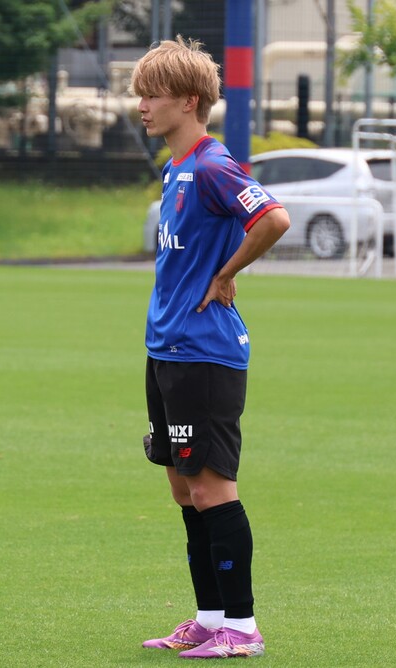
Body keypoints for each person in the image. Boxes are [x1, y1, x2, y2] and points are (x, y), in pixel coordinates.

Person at [131, 38, 290, 659]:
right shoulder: (174, 169)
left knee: (212, 488)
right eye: (141, 95)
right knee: (182, 487)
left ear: (189, 100)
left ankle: (242, 628)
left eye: (153, 95)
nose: (142, 106)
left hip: (204, 351)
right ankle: (209, 617)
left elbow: (272, 218)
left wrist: (228, 272)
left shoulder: (213, 165)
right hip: (167, 347)